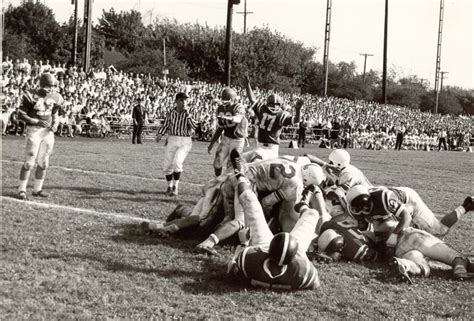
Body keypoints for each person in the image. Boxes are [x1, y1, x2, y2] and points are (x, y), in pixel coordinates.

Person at [196, 153, 330, 254]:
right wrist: (262, 218)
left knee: (228, 217)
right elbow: (266, 202)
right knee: (240, 221)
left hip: (236, 175)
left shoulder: (292, 162)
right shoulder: (295, 185)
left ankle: (219, 237)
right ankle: (207, 243)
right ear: (307, 178)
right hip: (245, 182)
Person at [225, 152, 322, 290]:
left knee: (249, 199)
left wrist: (244, 243)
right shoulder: (303, 271)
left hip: (263, 245)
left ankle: (240, 174)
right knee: (313, 213)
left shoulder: (250, 260)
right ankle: (304, 204)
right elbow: (315, 284)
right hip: (295, 252)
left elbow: (231, 271)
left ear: (268, 250)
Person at [345, 185, 474, 242]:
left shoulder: (384, 199)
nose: (365, 211)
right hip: (386, 212)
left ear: (370, 198)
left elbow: (405, 216)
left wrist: (394, 236)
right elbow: (363, 226)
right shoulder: (353, 209)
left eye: (367, 206)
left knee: (438, 230)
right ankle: (413, 229)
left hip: (408, 200)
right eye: (360, 209)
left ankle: (466, 206)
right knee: (382, 231)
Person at [17, 73, 63, 200]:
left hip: (47, 132)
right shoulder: (30, 95)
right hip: (34, 130)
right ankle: (21, 189)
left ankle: (37, 189)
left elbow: (55, 114)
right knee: (29, 161)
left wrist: (55, 125)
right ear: (42, 85)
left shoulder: (56, 97)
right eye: (49, 86)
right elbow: (20, 115)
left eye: (53, 86)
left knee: (43, 162)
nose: (51, 89)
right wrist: (36, 121)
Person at [244, 75, 303, 161]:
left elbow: (296, 120)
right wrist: (247, 85)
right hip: (260, 146)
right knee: (241, 160)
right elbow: (252, 99)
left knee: (256, 162)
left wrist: (298, 110)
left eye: (276, 104)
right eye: (272, 104)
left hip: (271, 148)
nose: (274, 106)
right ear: (268, 104)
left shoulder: (278, 113)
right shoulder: (264, 109)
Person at [156, 92, 198, 196]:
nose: (184, 102)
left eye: (185, 100)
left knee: (177, 162)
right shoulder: (171, 112)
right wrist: (160, 134)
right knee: (167, 165)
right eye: (181, 100)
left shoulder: (190, 112)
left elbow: (195, 126)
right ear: (176, 101)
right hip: (172, 138)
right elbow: (166, 124)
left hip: (185, 140)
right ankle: (169, 186)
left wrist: (188, 116)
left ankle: (176, 187)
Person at [208, 87, 247, 176]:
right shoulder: (220, 109)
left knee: (233, 165)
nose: (224, 100)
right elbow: (220, 128)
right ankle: (218, 181)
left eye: (226, 98)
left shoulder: (239, 106)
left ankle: (236, 183)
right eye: (223, 98)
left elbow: (238, 119)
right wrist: (212, 143)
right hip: (226, 138)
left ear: (232, 99)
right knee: (217, 163)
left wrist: (227, 118)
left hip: (237, 140)